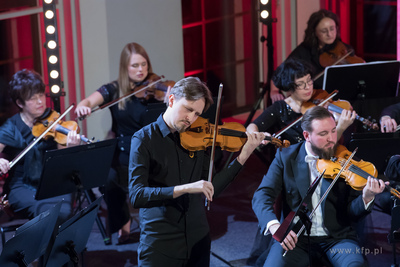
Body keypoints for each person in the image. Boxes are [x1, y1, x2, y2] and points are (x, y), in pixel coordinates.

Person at [128, 76, 265, 266]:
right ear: (172, 99)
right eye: (188, 109)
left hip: (198, 238)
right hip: (160, 243)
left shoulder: (200, 139)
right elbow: (137, 196)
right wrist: (184, 188)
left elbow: (212, 188)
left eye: (197, 114)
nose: (191, 119)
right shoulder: (144, 139)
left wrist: (243, 155)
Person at [252, 106, 386, 267]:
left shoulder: (345, 158)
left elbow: (352, 212)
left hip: (337, 239)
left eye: (333, 131)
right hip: (295, 239)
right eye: (323, 134)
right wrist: (275, 227)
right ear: (307, 135)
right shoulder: (285, 156)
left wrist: (367, 197)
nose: (331, 138)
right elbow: (262, 195)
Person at [75, 42, 169, 243]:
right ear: (125, 67)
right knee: (108, 179)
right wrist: (83, 107)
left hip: (152, 152)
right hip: (124, 152)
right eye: (135, 65)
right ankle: (123, 225)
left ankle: (164, 224)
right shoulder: (114, 90)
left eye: (144, 64)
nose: (141, 70)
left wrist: (172, 101)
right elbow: (88, 102)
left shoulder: (157, 89)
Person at [0, 69, 81, 222]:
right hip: (21, 187)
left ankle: (58, 245)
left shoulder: (53, 121)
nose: (40, 102)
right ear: (20, 103)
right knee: (47, 212)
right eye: (33, 98)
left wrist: (71, 148)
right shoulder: (12, 127)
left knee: (63, 211)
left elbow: (63, 162)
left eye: (41, 95)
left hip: (52, 181)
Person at [247, 58, 356, 145]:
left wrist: (341, 127)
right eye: (300, 84)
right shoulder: (280, 108)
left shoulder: (321, 101)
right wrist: (256, 134)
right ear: (290, 87)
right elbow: (253, 126)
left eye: (309, 81)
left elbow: (329, 146)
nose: (308, 87)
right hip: (296, 163)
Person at [270, 9, 362, 103]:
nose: (329, 34)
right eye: (323, 31)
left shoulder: (344, 49)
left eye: (332, 29)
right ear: (315, 32)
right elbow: (280, 73)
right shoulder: (305, 50)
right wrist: (274, 91)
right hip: (314, 100)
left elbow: (360, 67)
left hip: (340, 98)